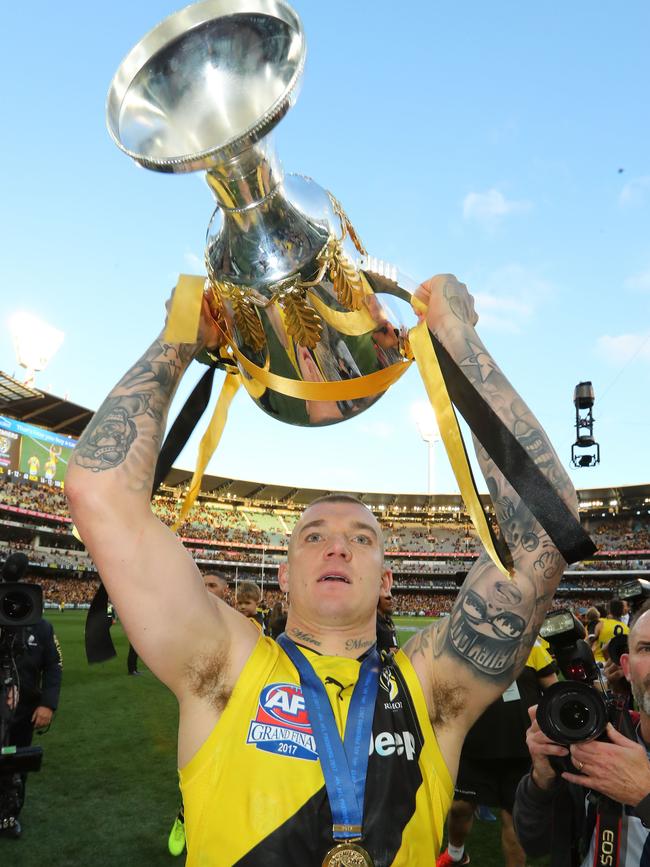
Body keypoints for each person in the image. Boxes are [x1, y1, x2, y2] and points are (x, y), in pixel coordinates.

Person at [66, 274, 580, 865]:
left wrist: (456, 340)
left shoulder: (430, 687)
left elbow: (546, 533)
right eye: (313, 536)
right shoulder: (223, 662)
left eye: (362, 538)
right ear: (283, 576)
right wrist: (182, 335)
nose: (338, 548)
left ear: (387, 580)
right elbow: (97, 493)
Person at [513, 607, 650, 866]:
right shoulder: (597, 739)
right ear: (627, 667)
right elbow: (534, 841)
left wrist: (645, 794)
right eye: (646, 648)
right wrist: (542, 779)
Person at [437, 639, 557, 866]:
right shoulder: (463, 644)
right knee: (460, 808)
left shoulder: (532, 645)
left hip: (520, 750)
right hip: (474, 746)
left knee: (513, 817)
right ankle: (455, 854)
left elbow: (551, 687)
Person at [167, 571, 230, 857]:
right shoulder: (188, 624)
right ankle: (184, 815)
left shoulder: (244, 626)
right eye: (202, 584)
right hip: (200, 711)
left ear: (226, 592)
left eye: (212, 585)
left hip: (237, 711)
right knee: (195, 771)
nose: (206, 589)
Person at [3, 559, 63, 837]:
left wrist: (47, 704)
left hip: (25, 712)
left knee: (16, 766)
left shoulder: (43, 628)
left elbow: (54, 666)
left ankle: (9, 816)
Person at [593, 597, 629, 665]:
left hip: (598, 661)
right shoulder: (627, 629)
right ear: (622, 611)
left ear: (609, 610)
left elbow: (590, 640)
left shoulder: (600, 622)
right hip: (614, 665)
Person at [376, 589, 399, 654]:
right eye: (388, 598)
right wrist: (387, 651)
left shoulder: (388, 620)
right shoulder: (372, 623)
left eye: (392, 598)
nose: (392, 601)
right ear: (377, 600)